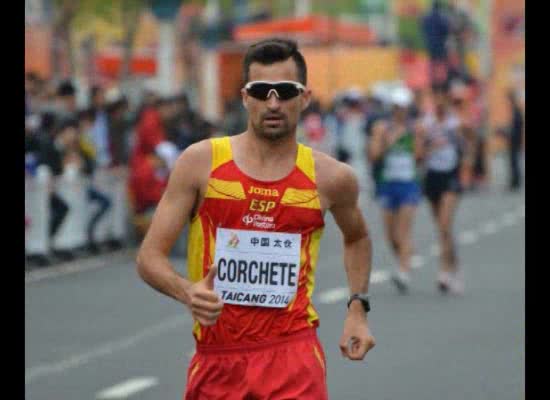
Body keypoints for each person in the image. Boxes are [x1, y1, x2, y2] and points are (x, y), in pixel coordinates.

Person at [136, 38, 375, 399]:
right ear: (245, 97)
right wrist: (188, 292)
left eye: (285, 91)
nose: (273, 103)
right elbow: (148, 258)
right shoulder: (201, 163)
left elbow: (357, 236)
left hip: (293, 357)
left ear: (305, 98)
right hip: (217, 361)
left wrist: (357, 307)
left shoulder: (331, 178)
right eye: (262, 91)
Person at [368, 86, 422, 293]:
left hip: (408, 184)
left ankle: (403, 271)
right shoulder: (382, 128)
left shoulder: (414, 128)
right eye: (396, 107)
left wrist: (413, 139)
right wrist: (386, 143)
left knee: (403, 231)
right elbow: (374, 155)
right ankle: (405, 257)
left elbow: (419, 156)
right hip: (387, 185)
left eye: (403, 107)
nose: (399, 111)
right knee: (391, 236)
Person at [417, 84, 465, 294]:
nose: (439, 102)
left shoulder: (456, 123)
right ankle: (454, 266)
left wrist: (468, 162)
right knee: (442, 229)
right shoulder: (425, 125)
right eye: (435, 98)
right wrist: (427, 144)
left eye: (442, 98)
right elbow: (418, 155)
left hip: (450, 176)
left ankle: (445, 272)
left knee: (445, 225)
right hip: (432, 177)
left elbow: (471, 144)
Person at [505, 89, 524, 191]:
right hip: (514, 140)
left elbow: (515, 128)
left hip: (514, 141)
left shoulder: (516, 111)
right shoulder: (515, 111)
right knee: (513, 162)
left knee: (514, 162)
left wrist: (506, 132)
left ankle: (515, 182)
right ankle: (514, 181)